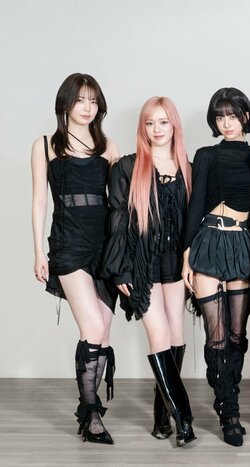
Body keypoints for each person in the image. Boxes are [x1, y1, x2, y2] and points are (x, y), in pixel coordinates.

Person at [31, 73, 119, 444]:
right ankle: (92, 415)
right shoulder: (45, 145)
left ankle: (89, 410)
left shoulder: (108, 147)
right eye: (80, 99)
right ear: (65, 103)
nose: (87, 107)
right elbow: (39, 201)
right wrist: (39, 251)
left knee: (103, 331)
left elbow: (119, 204)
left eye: (93, 101)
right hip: (67, 244)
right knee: (93, 327)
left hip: (105, 246)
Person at [104, 96, 196, 447]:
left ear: (174, 126)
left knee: (176, 337)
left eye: (163, 122)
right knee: (158, 334)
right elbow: (117, 222)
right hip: (141, 264)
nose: (157, 129)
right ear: (142, 127)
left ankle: (161, 419)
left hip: (175, 264)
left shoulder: (188, 168)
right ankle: (184, 420)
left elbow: (193, 222)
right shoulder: (127, 167)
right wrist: (121, 270)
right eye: (150, 123)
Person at [181, 88, 250, 447]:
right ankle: (229, 411)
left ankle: (229, 394)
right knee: (217, 335)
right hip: (208, 241)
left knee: (237, 336)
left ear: (245, 116)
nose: (226, 122)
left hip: (241, 244)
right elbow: (195, 205)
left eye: (232, 115)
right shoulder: (206, 155)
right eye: (220, 116)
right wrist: (186, 255)